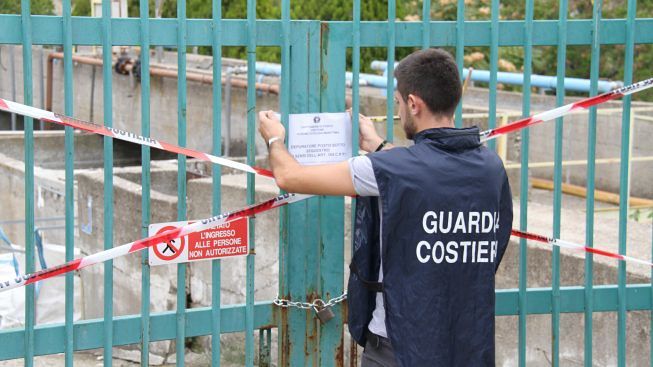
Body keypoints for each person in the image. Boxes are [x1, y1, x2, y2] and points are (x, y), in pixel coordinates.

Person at [258, 48, 513, 367]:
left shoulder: (388, 169)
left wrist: (274, 139)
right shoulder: (490, 167)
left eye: (397, 102)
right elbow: (434, 172)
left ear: (413, 104)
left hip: (399, 346)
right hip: (467, 343)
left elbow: (290, 176)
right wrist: (378, 145)